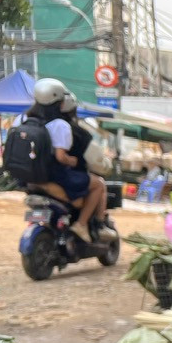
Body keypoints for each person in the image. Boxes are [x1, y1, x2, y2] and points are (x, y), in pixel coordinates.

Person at [19, 79, 112, 243]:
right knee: (98, 184)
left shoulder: (23, 120)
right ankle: (82, 224)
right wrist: (73, 161)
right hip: (56, 177)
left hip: (27, 178)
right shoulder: (62, 126)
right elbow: (62, 157)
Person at [55, 93, 116, 241]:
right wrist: (107, 165)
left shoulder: (45, 126)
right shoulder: (76, 132)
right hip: (68, 179)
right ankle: (85, 224)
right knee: (99, 184)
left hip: (44, 177)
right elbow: (97, 161)